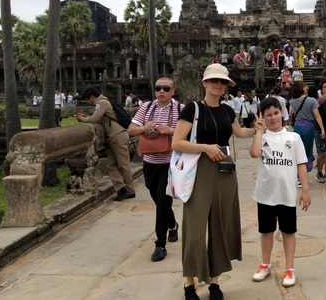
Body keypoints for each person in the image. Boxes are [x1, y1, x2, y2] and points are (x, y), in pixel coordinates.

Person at [172, 64, 257, 300]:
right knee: (195, 228)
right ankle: (189, 283)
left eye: (222, 82)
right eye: (214, 81)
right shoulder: (193, 108)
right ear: (205, 83)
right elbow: (177, 142)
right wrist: (205, 148)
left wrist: (257, 129)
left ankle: (215, 282)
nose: (218, 85)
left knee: (221, 226)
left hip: (225, 170)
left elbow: (238, 133)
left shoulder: (228, 110)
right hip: (199, 168)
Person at [249, 97, 311, 287]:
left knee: (288, 231)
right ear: (263, 117)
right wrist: (259, 132)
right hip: (266, 194)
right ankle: (265, 264)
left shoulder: (294, 137)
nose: (273, 117)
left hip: (287, 194)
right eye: (268, 115)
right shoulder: (262, 137)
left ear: (282, 113)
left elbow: (301, 164)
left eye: (276, 113)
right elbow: (254, 153)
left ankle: (289, 268)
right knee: (266, 230)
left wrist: (305, 190)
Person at [128, 78, 183, 262]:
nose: (161, 91)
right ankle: (172, 223)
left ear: (172, 91)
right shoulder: (146, 108)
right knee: (156, 197)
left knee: (161, 201)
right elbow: (131, 129)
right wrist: (144, 127)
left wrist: (171, 130)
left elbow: (190, 133)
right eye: (158, 88)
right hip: (149, 160)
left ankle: (160, 244)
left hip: (169, 162)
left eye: (165, 88)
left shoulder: (180, 109)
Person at [75, 87, 135, 201]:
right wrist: (85, 116)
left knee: (123, 164)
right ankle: (122, 189)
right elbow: (100, 118)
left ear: (92, 97)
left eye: (88, 100)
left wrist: (81, 119)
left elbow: (94, 118)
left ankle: (130, 190)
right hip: (114, 136)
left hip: (117, 136)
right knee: (111, 165)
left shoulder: (101, 103)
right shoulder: (104, 102)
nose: (88, 103)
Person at [288, 82, 325, 173]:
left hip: (298, 127)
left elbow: (290, 114)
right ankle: (304, 171)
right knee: (307, 150)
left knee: (299, 150)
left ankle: (298, 172)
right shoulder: (312, 100)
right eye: (304, 86)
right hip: (309, 127)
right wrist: (322, 129)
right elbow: (317, 116)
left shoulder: (292, 101)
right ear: (302, 89)